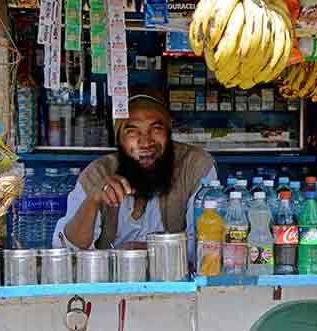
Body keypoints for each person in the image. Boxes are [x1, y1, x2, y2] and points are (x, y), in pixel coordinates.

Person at [52, 94, 217, 264]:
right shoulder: (98, 173)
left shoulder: (195, 166)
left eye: (156, 129)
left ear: (169, 134)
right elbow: (67, 249)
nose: (145, 142)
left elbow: (207, 246)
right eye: (132, 132)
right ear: (119, 139)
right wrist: (93, 200)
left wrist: (149, 253)